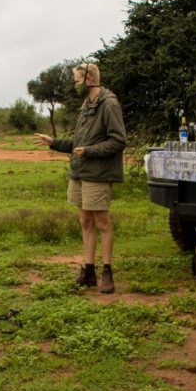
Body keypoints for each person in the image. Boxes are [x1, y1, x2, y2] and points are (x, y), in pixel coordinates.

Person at [33, 62, 126, 293]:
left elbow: (118, 140)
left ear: (89, 79)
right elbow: (78, 143)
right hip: (79, 172)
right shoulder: (86, 104)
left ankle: (107, 271)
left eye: (76, 80)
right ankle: (89, 270)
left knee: (102, 223)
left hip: (98, 173)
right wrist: (53, 142)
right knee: (85, 221)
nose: (74, 84)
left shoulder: (109, 104)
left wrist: (90, 151)